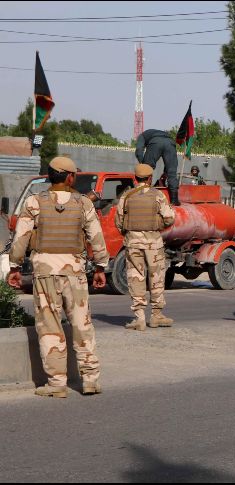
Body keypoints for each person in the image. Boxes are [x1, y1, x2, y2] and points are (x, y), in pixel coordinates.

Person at [6, 156, 109, 398]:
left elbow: (21, 238)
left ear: (49, 176)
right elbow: (96, 238)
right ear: (71, 177)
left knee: (50, 327)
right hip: (75, 273)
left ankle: (57, 383)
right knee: (82, 324)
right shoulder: (83, 203)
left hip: (45, 273)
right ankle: (91, 379)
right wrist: (101, 267)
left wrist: (14, 267)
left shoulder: (34, 202)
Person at [115, 164, 176, 331]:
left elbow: (118, 222)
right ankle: (156, 315)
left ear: (135, 178)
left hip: (133, 242)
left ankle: (139, 318)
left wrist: (130, 233)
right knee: (156, 277)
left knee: (136, 277)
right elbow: (170, 218)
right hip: (154, 243)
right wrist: (157, 226)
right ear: (150, 178)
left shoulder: (127, 196)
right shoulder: (158, 195)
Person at [134, 129, 181, 206]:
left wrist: (143, 165)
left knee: (146, 170)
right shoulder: (159, 133)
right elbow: (170, 166)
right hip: (170, 142)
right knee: (172, 172)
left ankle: (144, 196)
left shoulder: (142, 136)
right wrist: (166, 172)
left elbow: (139, 150)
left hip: (156, 142)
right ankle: (174, 200)